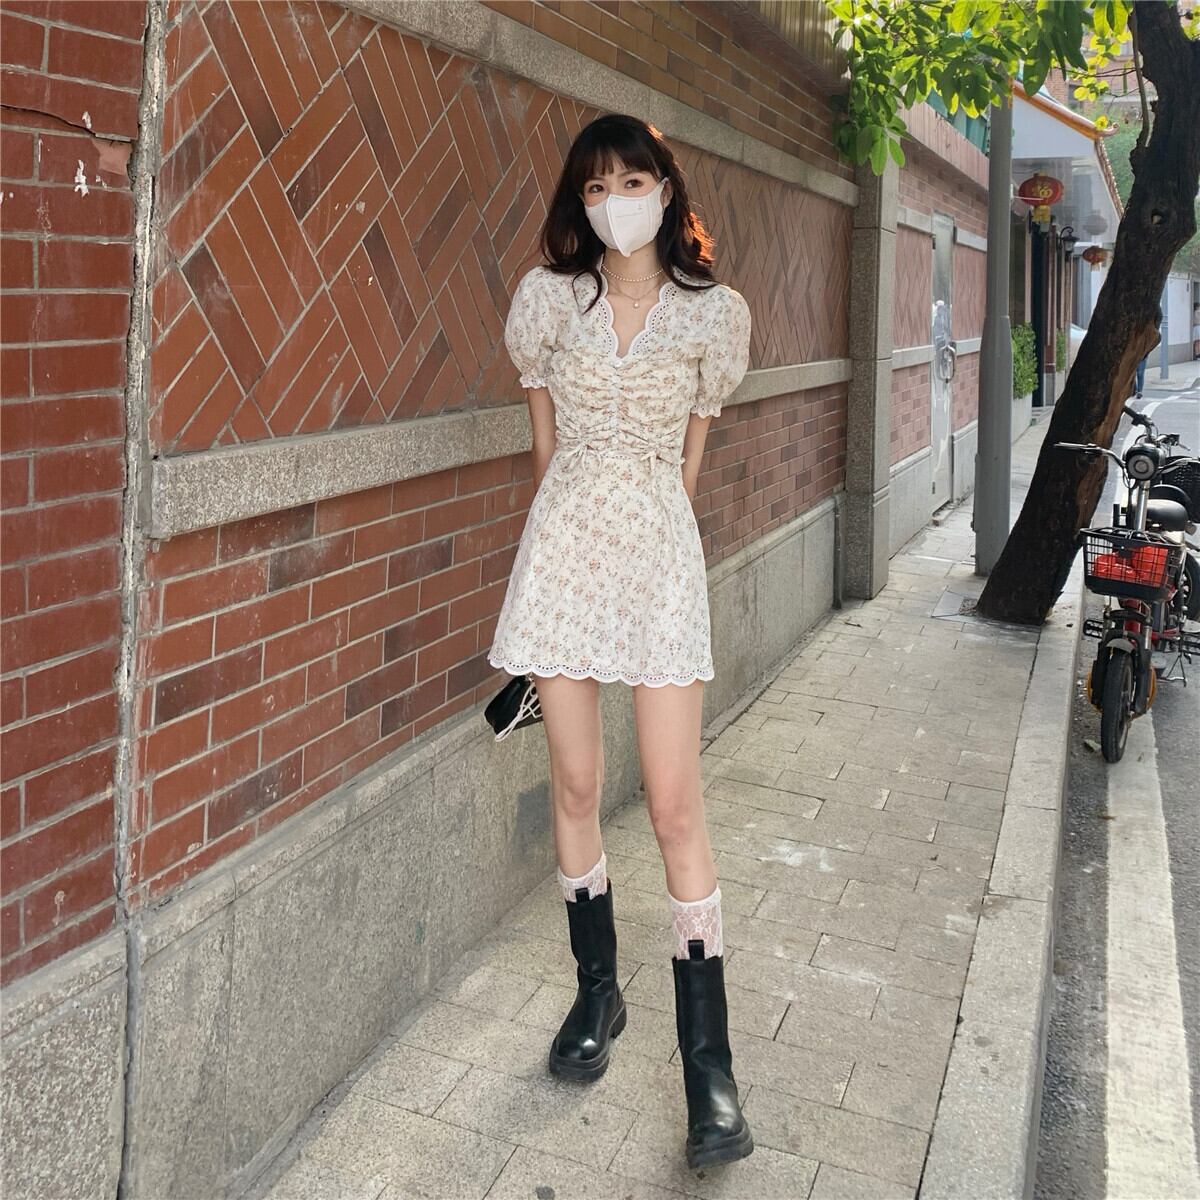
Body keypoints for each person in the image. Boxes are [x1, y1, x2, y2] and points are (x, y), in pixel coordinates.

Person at [486, 113, 753, 1170]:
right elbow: (544, 451)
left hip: (658, 562)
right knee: (575, 782)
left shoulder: (712, 316)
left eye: (632, 182)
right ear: (579, 201)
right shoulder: (548, 302)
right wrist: (568, 538)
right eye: (595, 188)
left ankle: (710, 1068)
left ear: (665, 190)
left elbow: (689, 462)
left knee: (676, 801)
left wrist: (650, 537)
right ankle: (597, 995)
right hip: (564, 554)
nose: (614, 203)